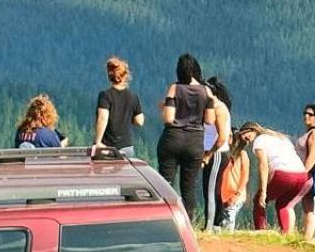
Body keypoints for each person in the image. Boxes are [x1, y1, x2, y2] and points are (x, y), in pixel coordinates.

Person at [157, 53, 211, 225]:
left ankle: (164, 221)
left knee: (165, 183)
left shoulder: (174, 88)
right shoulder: (206, 91)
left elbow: (168, 118)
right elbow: (209, 120)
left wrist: (166, 105)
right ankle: (187, 225)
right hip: (194, 142)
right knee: (189, 187)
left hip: (172, 139)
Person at [234, 121, 310, 234]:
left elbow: (264, 166)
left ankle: (261, 231)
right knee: (283, 204)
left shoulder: (259, 141)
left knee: (258, 201)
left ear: (252, 130)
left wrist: (263, 191)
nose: (246, 140)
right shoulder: (280, 138)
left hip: (285, 174)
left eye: (245, 136)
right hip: (302, 175)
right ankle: (287, 235)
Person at [93, 56, 144, 156]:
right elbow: (140, 121)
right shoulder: (133, 97)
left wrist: (98, 141)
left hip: (107, 146)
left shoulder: (105, 95)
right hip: (127, 146)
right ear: (125, 76)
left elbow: (102, 118)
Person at [201, 76, 233, 229]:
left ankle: (210, 225)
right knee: (211, 189)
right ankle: (215, 224)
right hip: (212, 153)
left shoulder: (218, 108)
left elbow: (221, 137)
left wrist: (209, 154)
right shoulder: (210, 108)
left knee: (211, 191)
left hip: (217, 154)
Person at [293, 103, 315, 242]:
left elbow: (312, 156)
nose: (306, 116)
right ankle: (306, 237)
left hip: (312, 172)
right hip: (309, 172)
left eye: (310, 114)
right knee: (307, 205)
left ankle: (307, 238)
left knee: (308, 205)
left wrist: (303, 173)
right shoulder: (310, 132)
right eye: (305, 113)